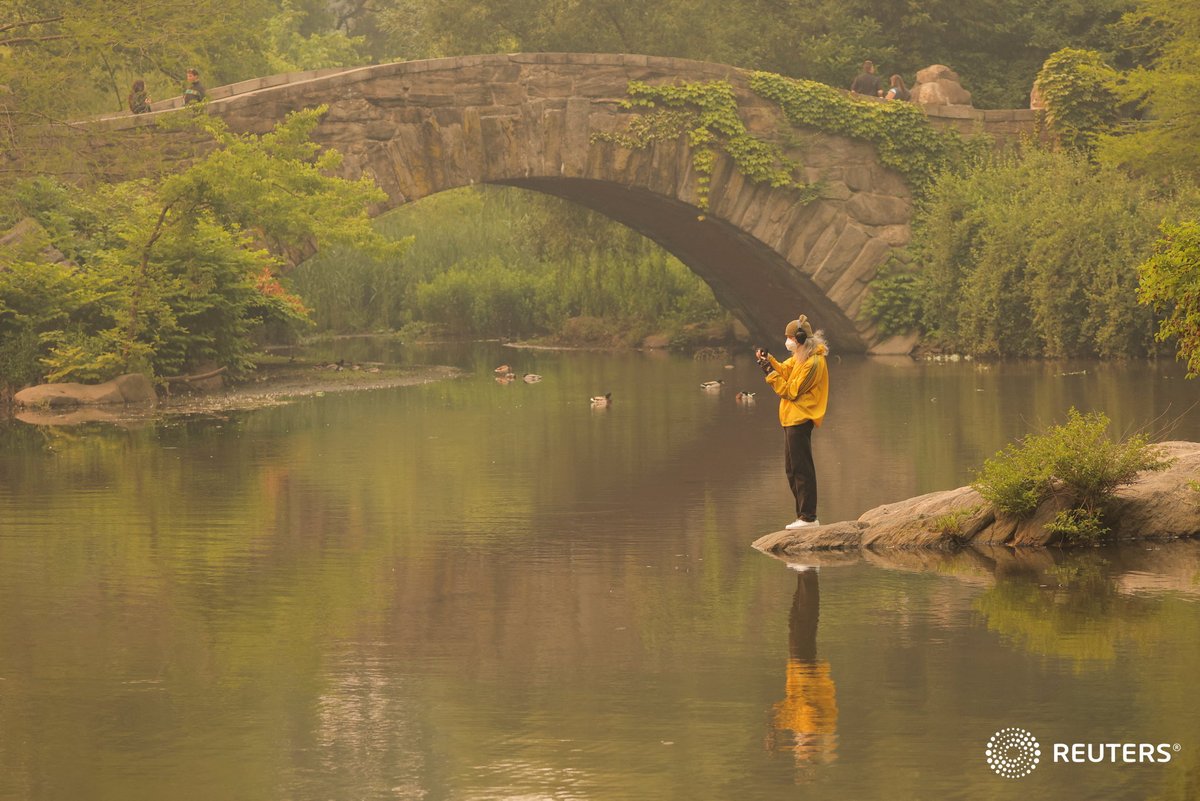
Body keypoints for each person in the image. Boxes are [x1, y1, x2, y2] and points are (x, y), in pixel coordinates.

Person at [756, 314, 830, 529]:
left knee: (802, 468)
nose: (787, 341)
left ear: (799, 338)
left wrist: (769, 373)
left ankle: (808, 517)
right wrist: (767, 361)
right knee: (791, 468)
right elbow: (785, 369)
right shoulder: (801, 356)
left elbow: (790, 391)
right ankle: (802, 516)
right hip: (790, 419)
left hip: (801, 417)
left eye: (789, 337)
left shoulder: (814, 362)